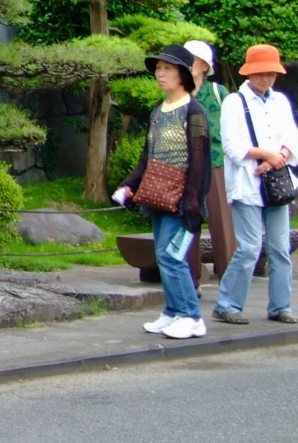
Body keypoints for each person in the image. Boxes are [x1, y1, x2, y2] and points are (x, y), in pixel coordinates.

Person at [118, 44, 211, 340]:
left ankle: (191, 316)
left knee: (172, 257)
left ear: (183, 74)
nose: (160, 74)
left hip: (182, 198)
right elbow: (147, 156)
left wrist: (193, 202)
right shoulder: (157, 111)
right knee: (163, 256)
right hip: (158, 194)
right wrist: (129, 184)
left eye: (167, 69)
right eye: (158, 68)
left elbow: (199, 162)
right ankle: (172, 311)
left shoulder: (194, 112)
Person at [213, 44, 298, 327]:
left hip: (277, 183)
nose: (266, 78)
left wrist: (278, 158)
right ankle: (227, 304)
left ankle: (280, 306)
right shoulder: (234, 102)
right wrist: (265, 155)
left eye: (271, 73)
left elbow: (292, 139)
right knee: (249, 248)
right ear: (250, 73)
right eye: (260, 73)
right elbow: (231, 145)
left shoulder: (280, 102)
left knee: (280, 248)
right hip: (246, 184)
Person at [185, 39, 233, 277]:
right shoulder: (176, 93)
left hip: (215, 161)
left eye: (192, 59)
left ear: (205, 65)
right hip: (185, 165)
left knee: (222, 220)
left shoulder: (218, 92)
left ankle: (229, 278)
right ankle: (191, 279)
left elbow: (231, 129)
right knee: (188, 220)